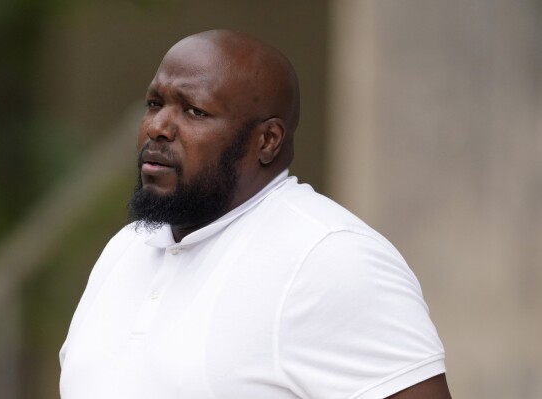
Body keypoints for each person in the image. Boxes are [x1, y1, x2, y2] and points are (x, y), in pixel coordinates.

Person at [59, 29, 452, 399]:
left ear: (267, 141)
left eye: (194, 111)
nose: (158, 128)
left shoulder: (329, 258)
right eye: (155, 104)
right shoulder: (125, 249)